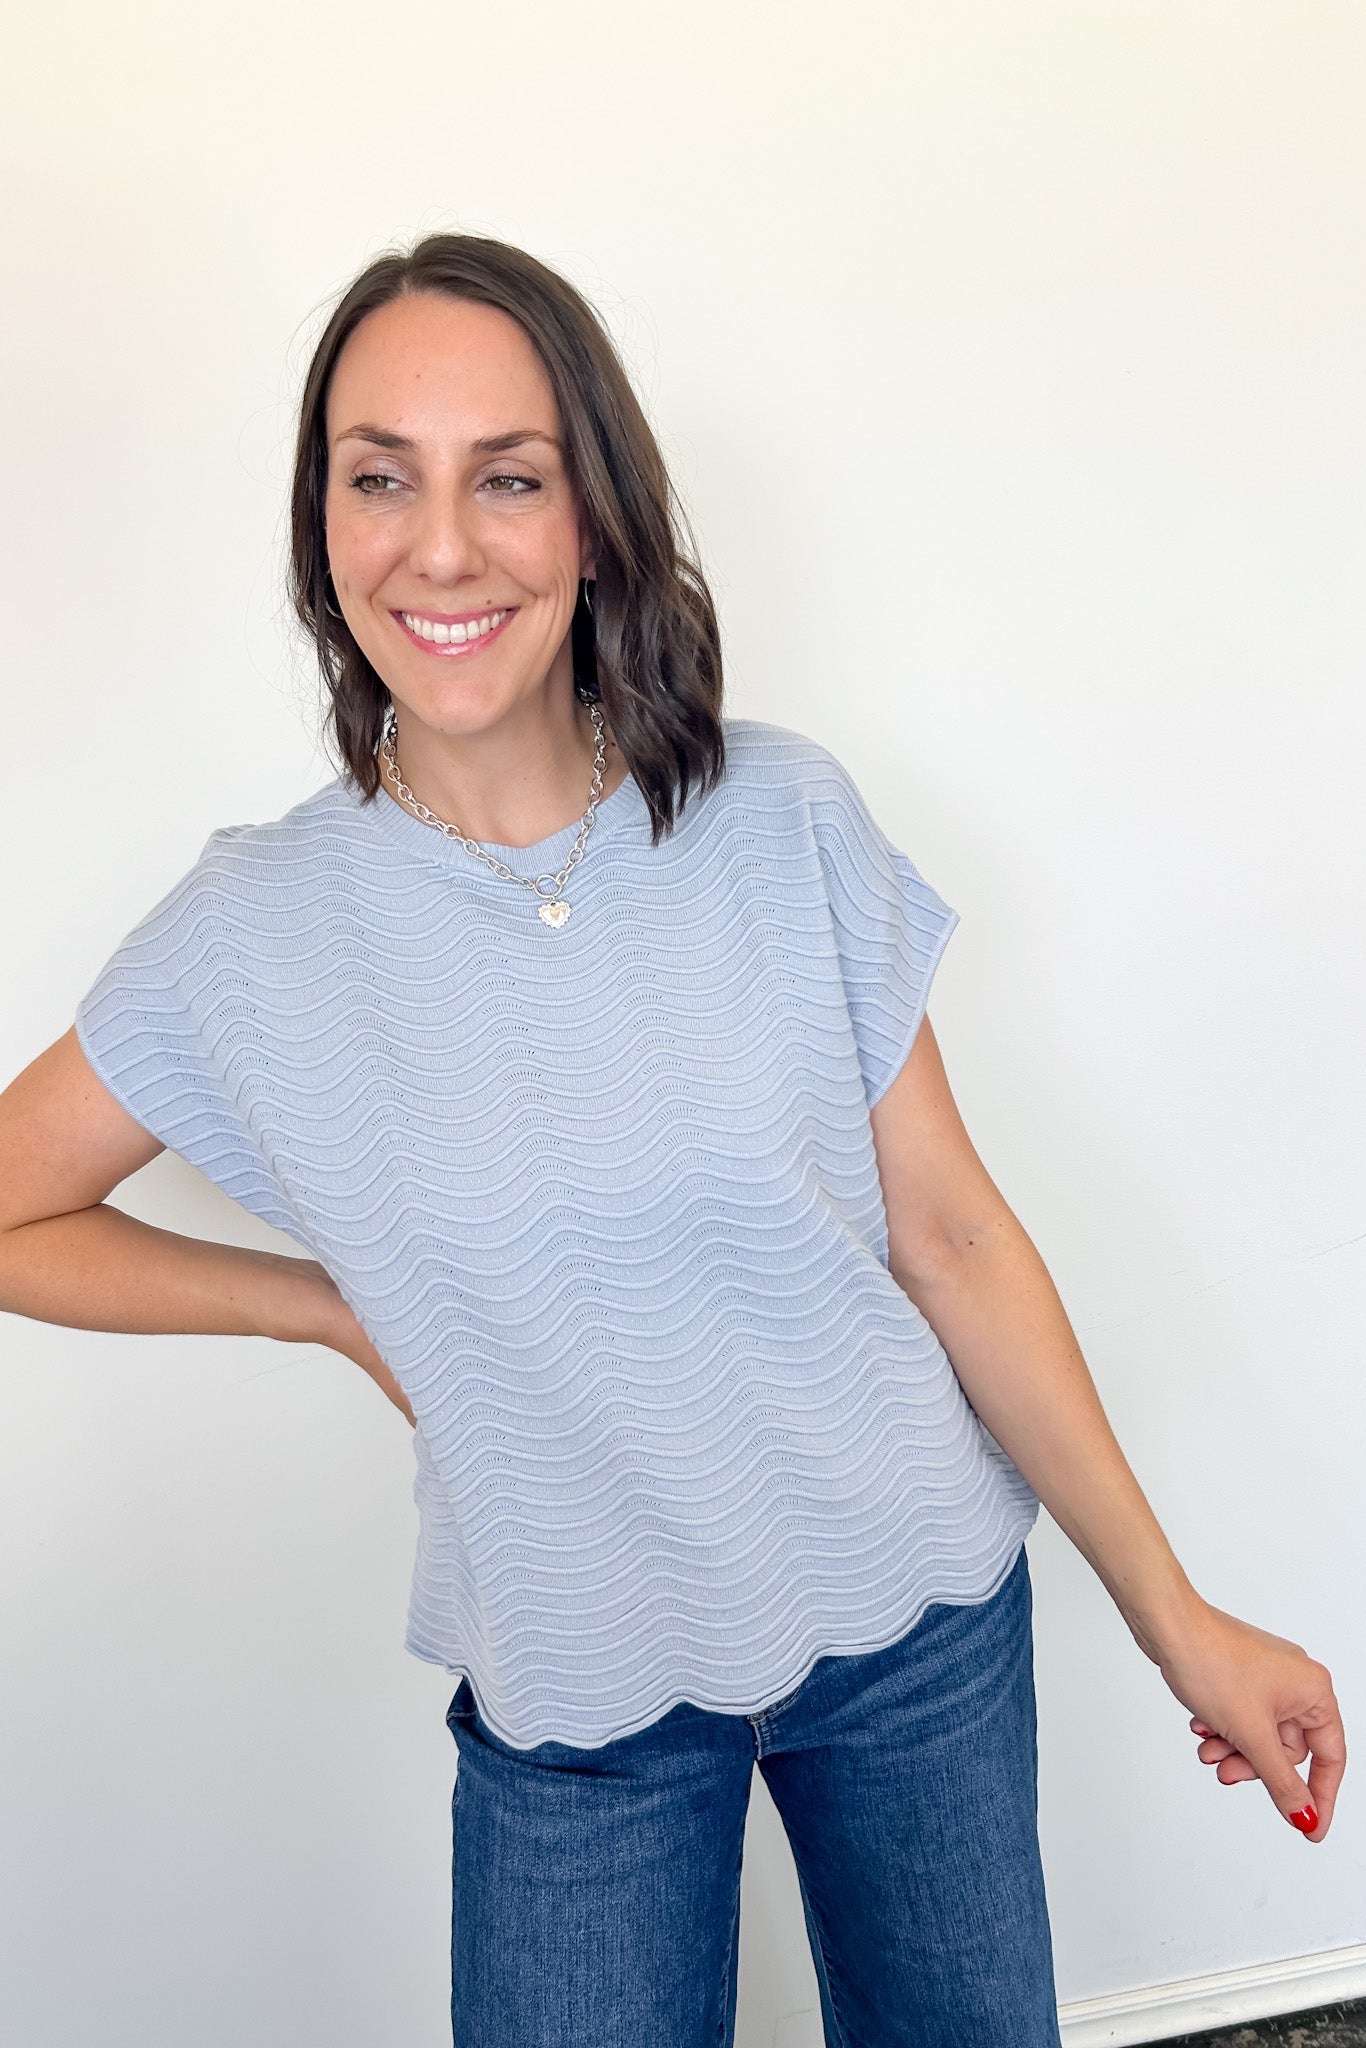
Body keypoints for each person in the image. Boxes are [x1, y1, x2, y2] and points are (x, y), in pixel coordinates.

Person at [0, 232, 1344, 2048]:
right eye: (378, 476)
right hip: (574, 1694)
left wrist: (1174, 1613)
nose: (443, 545)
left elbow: (944, 1235)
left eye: (511, 478)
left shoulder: (778, 815)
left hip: (920, 1631)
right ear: (322, 523)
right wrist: (318, 1305)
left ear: (595, 520)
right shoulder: (250, 937)